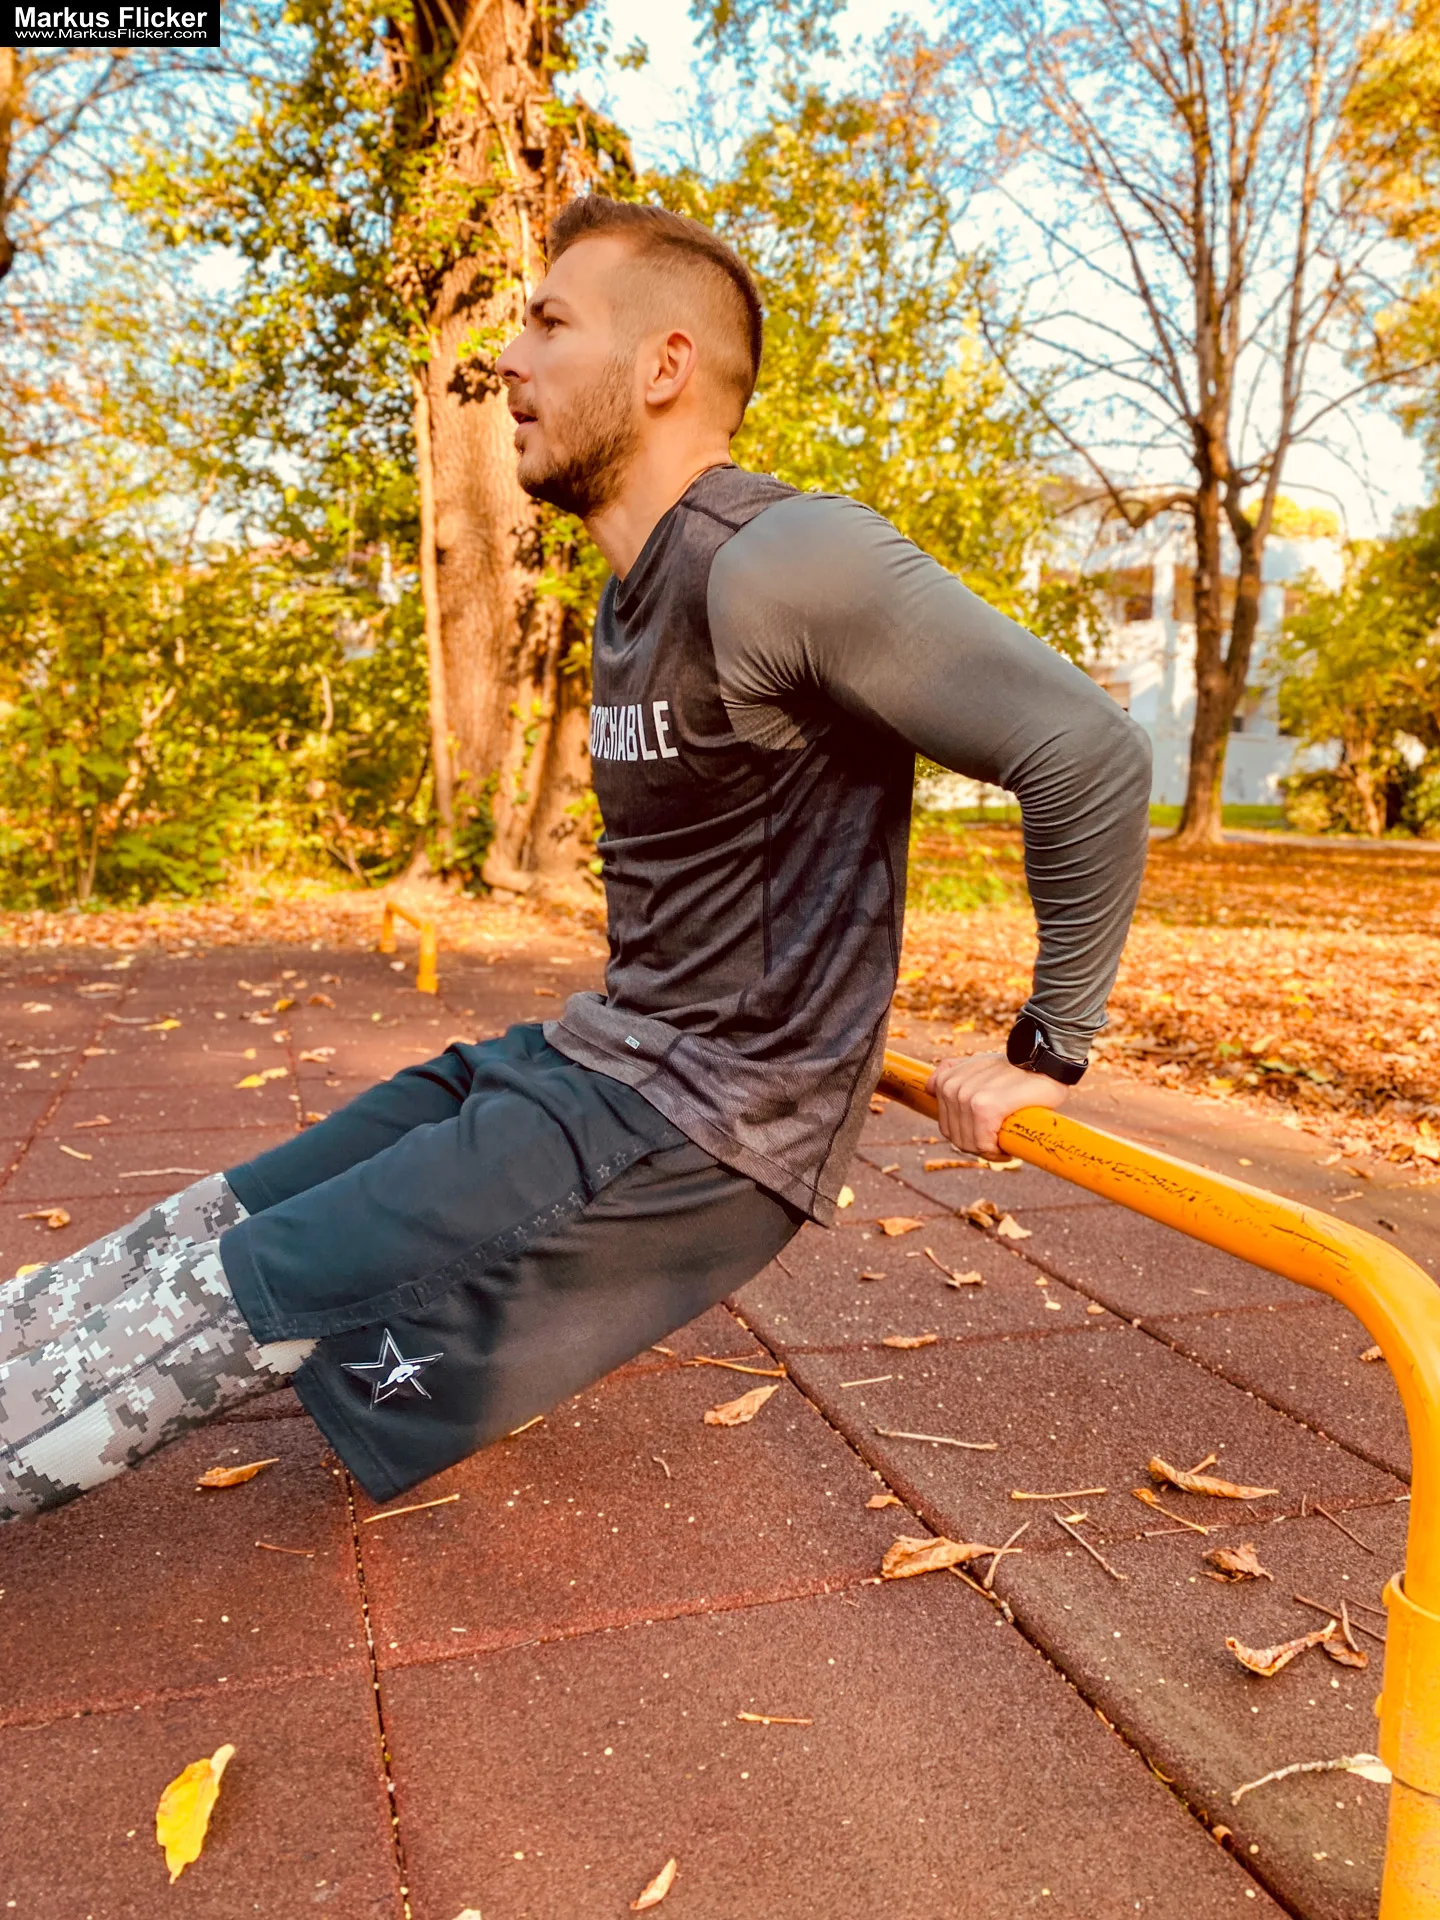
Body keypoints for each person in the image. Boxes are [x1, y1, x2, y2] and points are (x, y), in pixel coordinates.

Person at [0, 196, 1151, 1522]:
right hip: (599, 1057)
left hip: (704, 1121)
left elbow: (1087, 751)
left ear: (663, 366)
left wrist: (1049, 1046)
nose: (508, 361)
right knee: (203, 1223)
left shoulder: (782, 555)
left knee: (234, 1295)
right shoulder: (629, 590)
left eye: (551, 323)